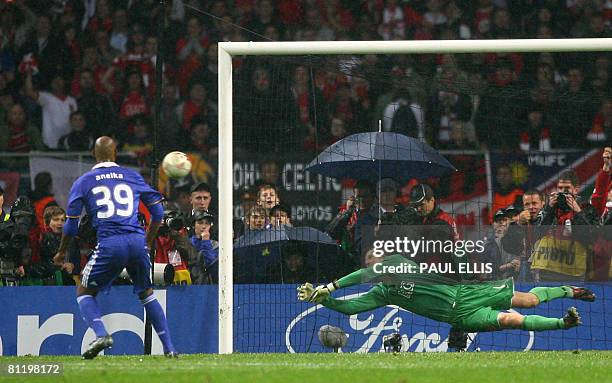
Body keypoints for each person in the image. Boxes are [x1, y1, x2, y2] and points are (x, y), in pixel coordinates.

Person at [52, 136, 177, 359]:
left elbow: (70, 225)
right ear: (115, 154)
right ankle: (169, 348)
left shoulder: (84, 181)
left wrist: (62, 251)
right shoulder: (132, 176)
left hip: (110, 243)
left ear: (93, 154)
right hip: (137, 242)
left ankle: (101, 334)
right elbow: (158, 213)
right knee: (147, 293)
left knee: (84, 290)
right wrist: (147, 240)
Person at [297, 253, 595, 334]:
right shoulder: (382, 293)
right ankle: (564, 324)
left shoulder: (398, 264)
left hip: (467, 293)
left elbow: (364, 274)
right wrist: (328, 300)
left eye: (377, 260)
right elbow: (352, 309)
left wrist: (331, 285)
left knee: (529, 300)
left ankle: (570, 290)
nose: (375, 264)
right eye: (372, 260)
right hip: (461, 314)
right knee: (511, 321)